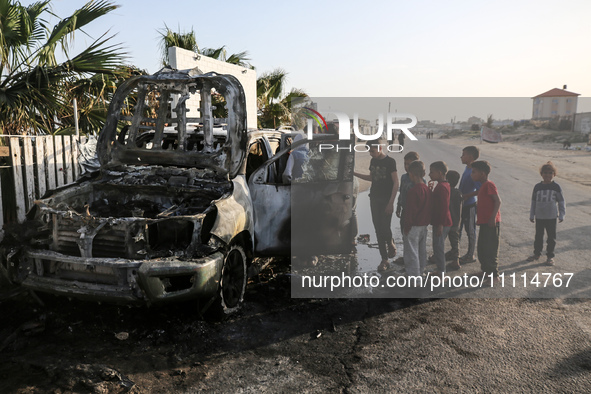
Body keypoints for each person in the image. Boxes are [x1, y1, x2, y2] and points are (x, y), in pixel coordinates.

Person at [354, 139, 399, 272]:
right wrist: (355, 173)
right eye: (369, 151)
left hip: (386, 199)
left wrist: (391, 202)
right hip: (374, 198)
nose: (370, 154)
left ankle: (390, 242)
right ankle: (384, 259)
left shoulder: (390, 162)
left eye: (372, 151)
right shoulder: (373, 161)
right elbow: (372, 178)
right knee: (378, 229)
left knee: (385, 227)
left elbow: (396, 182)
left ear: (380, 148)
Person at [528, 161, 566, 266]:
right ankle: (537, 254)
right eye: (545, 172)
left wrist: (562, 214)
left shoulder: (556, 187)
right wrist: (532, 215)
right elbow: (533, 202)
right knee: (538, 236)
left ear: (554, 174)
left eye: (550, 173)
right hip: (539, 217)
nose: (547, 175)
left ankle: (550, 257)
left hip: (551, 217)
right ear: (541, 174)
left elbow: (561, 201)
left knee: (551, 238)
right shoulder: (537, 187)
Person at [471, 160, 501, 279]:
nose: (471, 174)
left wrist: (493, 218)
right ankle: (485, 271)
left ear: (482, 173)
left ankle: (494, 275)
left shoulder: (489, 184)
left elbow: (498, 201)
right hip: (484, 222)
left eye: (474, 172)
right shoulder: (483, 185)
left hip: (491, 223)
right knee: (482, 248)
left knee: (490, 249)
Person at [403, 161, 431, 277]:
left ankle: (414, 278)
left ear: (411, 174)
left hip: (413, 226)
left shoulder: (413, 191)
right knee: (421, 251)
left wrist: (406, 226)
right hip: (423, 225)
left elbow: (411, 212)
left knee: (411, 253)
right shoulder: (427, 189)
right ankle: (420, 272)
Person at [395, 151, 421, 264]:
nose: (407, 167)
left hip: (415, 214)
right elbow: (401, 193)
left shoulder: (420, 181)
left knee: (413, 237)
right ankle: (406, 257)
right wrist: (398, 206)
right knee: (404, 235)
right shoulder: (404, 177)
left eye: (409, 164)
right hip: (405, 211)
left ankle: (413, 259)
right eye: (405, 164)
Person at [429, 161, 453, 276]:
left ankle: (442, 272)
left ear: (439, 173)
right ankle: (440, 270)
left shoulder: (442, 187)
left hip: (442, 222)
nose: (429, 175)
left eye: (431, 172)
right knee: (437, 246)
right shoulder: (443, 184)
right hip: (442, 221)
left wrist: (440, 225)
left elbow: (444, 207)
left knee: (438, 247)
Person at [459, 146, 481, 264]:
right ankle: (455, 251)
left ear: (470, 157)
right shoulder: (467, 168)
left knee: (470, 230)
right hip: (462, 205)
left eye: (463, 154)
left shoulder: (474, 171)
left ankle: (471, 254)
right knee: (459, 228)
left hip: (470, 205)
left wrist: (467, 196)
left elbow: (480, 190)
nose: (461, 157)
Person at [445, 170, 463, 271]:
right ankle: (456, 260)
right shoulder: (458, 193)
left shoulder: (446, 191)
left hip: (446, 221)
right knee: (455, 242)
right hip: (456, 222)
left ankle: (437, 256)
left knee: (440, 241)